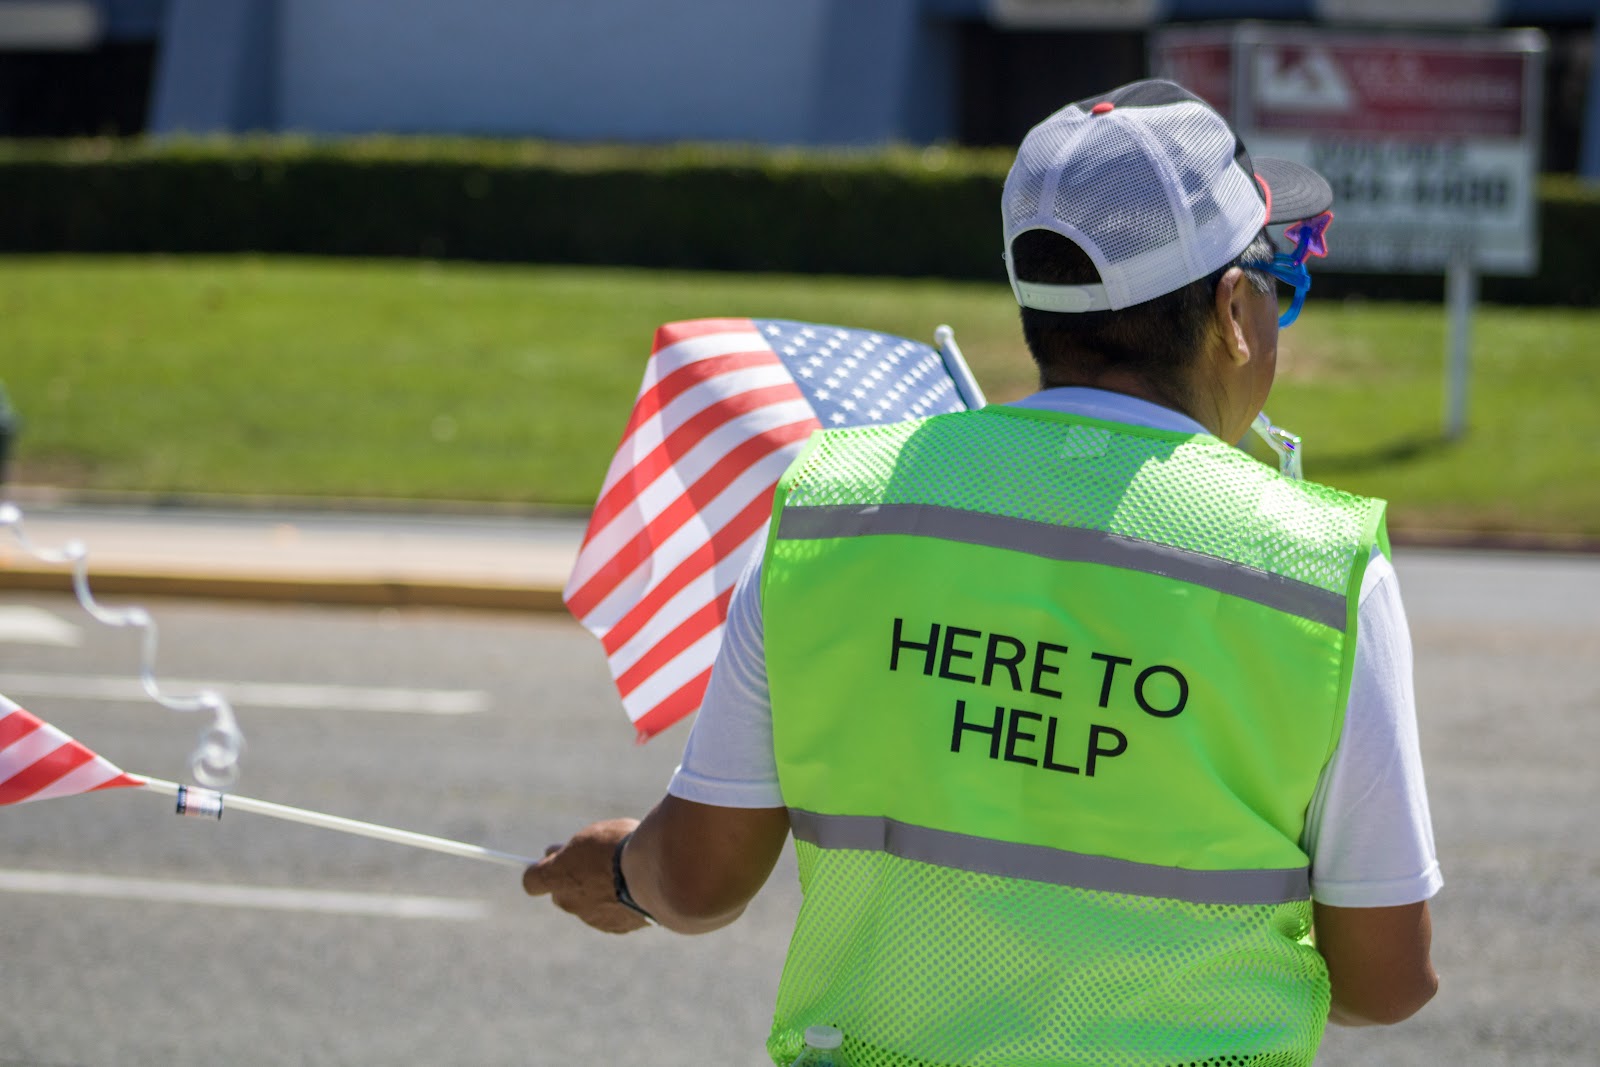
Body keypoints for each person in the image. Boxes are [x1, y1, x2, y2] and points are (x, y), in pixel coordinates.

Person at [524, 78, 1441, 1066]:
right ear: (1230, 308)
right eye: (1277, 287)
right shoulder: (1317, 567)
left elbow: (699, 879)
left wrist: (624, 869)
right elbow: (1386, 980)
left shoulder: (832, 506)